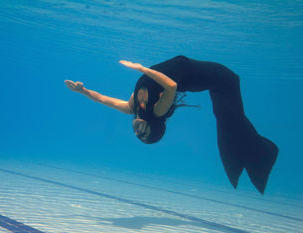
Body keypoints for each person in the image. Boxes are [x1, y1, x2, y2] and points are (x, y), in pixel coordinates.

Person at [64, 55, 278, 194]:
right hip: (220, 78)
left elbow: (104, 100)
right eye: (144, 132)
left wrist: (82, 91)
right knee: (229, 118)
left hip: (210, 79)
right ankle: (263, 154)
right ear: (152, 125)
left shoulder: (132, 108)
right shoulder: (157, 111)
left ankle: (255, 158)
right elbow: (171, 85)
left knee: (227, 117)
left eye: (138, 134)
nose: (138, 130)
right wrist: (141, 68)